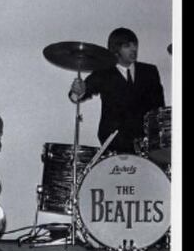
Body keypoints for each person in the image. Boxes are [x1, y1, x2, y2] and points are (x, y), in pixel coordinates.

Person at [69, 27, 165, 155]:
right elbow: (81, 93)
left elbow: (159, 108)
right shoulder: (103, 73)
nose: (133, 49)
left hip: (146, 143)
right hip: (114, 142)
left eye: (135, 45)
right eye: (127, 46)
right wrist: (78, 91)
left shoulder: (150, 71)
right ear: (115, 50)